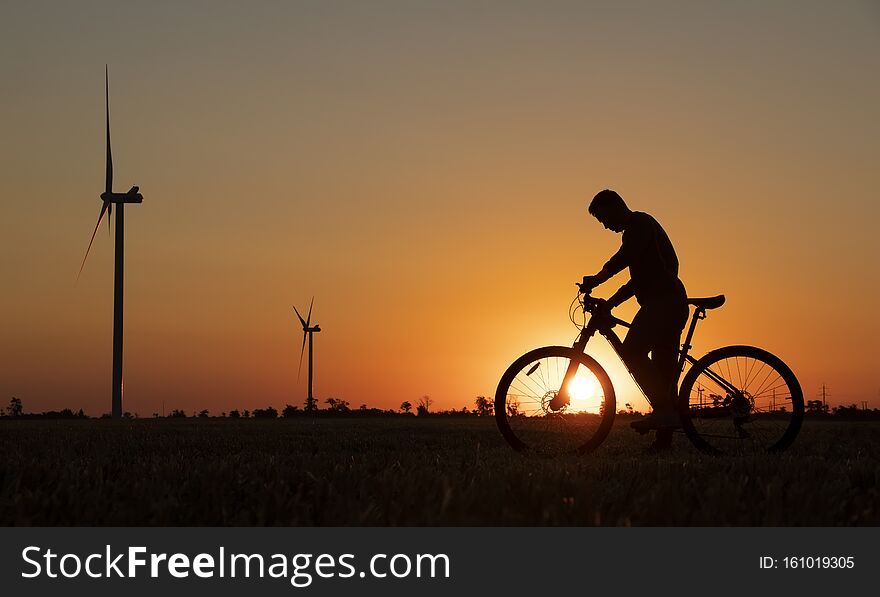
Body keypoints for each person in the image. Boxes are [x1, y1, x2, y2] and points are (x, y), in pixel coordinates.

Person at [579, 189, 688, 451]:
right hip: (666, 303)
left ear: (616, 207)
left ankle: (663, 414)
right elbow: (632, 273)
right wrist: (606, 293)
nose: (605, 226)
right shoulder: (637, 229)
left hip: (664, 304)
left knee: (633, 352)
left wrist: (601, 283)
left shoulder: (639, 225)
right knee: (664, 374)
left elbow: (626, 262)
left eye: (604, 219)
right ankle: (664, 441)